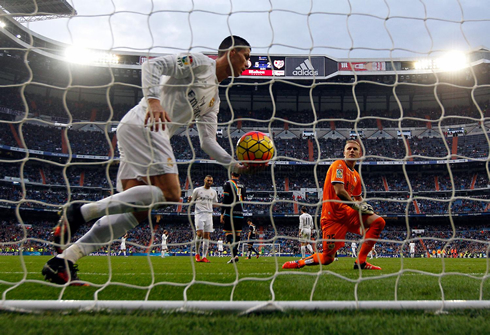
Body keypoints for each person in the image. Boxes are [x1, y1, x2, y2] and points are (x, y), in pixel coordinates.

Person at [42, 35, 252, 284]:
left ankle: (64, 261)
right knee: (172, 194)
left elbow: (207, 142)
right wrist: (153, 100)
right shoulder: (199, 62)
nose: (247, 64)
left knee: (137, 211)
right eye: (247, 56)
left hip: (140, 130)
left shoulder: (213, 100)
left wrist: (236, 165)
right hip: (146, 123)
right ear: (233, 52)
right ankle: (80, 212)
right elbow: (152, 66)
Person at [283, 140, 386, 271]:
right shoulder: (338, 165)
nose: (352, 151)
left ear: (360, 154)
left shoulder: (356, 176)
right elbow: (340, 191)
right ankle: (300, 262)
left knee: (378, 222)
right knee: (327, 259)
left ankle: (361, 262)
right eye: (349, 149)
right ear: (344, 152)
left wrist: (365, 206)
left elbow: (359, 199)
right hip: (331, 218)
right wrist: (357, 206)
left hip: (348, 214)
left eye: (355, 149)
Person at [190, 175, 219, 263]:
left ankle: (204, 256)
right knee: (199, 233)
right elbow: (191, 201)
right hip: (199, 214)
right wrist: (189, 200)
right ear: (204, 180)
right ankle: (197, 254)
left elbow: (215, 203)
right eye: (208, 180)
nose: (209, 182)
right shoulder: (197, 190)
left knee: (207, 235)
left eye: (211, 181)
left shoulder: (213, 192)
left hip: (209, 215)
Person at [221, 172, 246, 264]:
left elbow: (225, 199)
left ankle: (234, 255)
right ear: (239, 175)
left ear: (231, 174)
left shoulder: (228, 183)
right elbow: (244, 198)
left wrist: (222, 213)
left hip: (230, 212)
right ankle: (235, 254)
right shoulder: (242, 185)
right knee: (238, 234)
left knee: (228, 233)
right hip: (240, 212)